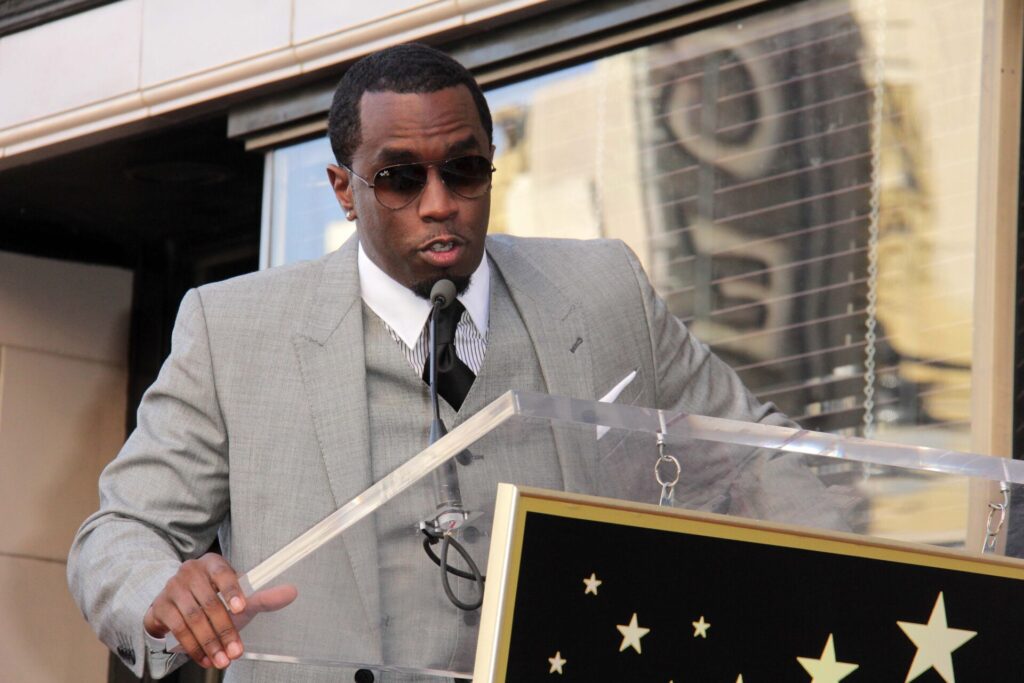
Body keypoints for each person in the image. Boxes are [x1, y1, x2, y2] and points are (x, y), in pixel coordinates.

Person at [68, 44, 849, 682]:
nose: (439, 202)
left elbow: (757, 459)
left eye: (464, 169)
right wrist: (161, 591)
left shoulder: (606, 290)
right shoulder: (233, 329)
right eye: (401, 178)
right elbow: (118, 532)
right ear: (345, 189)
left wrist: (879, 588)